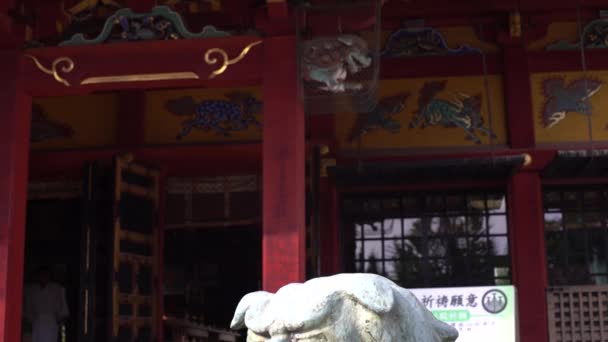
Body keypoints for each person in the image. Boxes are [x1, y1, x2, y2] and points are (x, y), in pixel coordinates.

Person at [23, 266, 69, 342]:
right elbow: (27, 308)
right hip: (37, 322)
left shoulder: (57, 288)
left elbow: (63, 306)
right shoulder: (32, 289)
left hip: (51, 322)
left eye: (46, 275)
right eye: (41, 275)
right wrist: (29, 321)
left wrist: (61, 320)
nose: (43, 277)